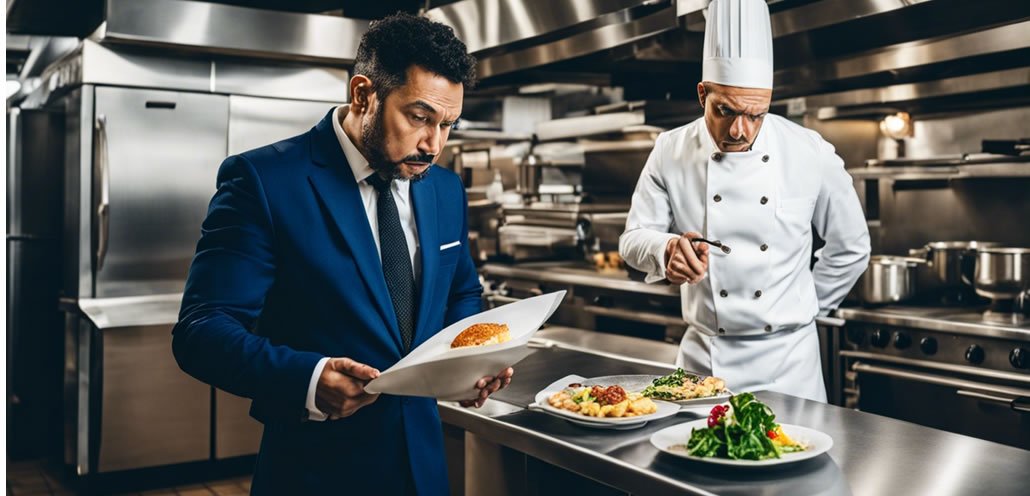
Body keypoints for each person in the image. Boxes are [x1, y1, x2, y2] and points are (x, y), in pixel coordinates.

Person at [172, 13, 512, 495]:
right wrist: (308, 379)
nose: (434, 144)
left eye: (448, 124)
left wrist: (474, 358)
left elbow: (461, 291)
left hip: (425, 467)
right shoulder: (264, 181)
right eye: (419, 117)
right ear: (363, 94)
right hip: (314, 471)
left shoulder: (445, 190)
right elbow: (200, 331)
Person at [619, 0, 870, 402]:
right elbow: (632, 240)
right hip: (703, 364)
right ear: (702, 93)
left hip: (790, 367)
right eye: (726, 110)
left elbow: (851, 247)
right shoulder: (670, 149)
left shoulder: (809, 151)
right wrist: (664, 250)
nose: (741, 130)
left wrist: (799, 308)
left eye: (756, 115)